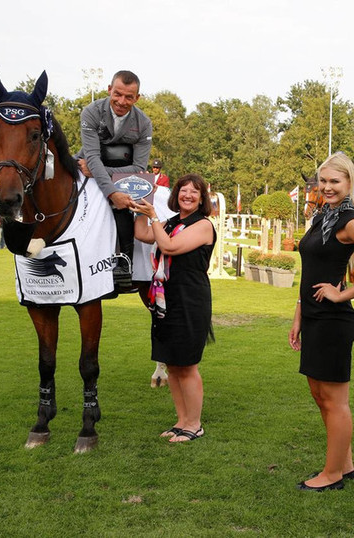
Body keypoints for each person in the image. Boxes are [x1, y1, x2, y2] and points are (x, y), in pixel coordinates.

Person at [288, 152, 354, 491]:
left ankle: (332, 475)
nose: (328, 187)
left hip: (334, 321)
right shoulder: (323, 216)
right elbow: (311, 272)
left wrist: (341, 294)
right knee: (320, 395)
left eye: (336, 181)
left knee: (335, 400)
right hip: (314, 317)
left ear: (349, 184)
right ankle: (344, 466)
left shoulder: (350, 221)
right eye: (324, 181)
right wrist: (299, 315)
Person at [133, 173, 216, 443]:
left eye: (194, 191)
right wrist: (141, 201)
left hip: (190, 300)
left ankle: (195, 424)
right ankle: (181, 421)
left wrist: (153, 214)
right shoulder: (171, 223)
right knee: (172, 364)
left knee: (188, 365)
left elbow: (167, 246)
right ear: (176, 194)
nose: (188, 195)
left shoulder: (203, 225)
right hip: (164, 300)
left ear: (202, 198)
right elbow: (143, 233)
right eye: (183, 190)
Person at [76, 70, 153, 292]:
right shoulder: (91, 112)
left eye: (129, 97)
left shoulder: (144, 123)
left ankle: (124, 263)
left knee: (126, 207)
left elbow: (139, 167)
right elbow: (90, 158)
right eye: (117, 94)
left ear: (137, 98)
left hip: (120, 174)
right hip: (86, 166)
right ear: (109, 90)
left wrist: (112, 185)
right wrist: (112, 193)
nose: (121, 101)